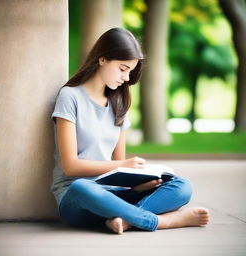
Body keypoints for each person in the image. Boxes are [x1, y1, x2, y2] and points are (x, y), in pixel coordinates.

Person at [50, 27, 210, 234]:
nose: (127, 78)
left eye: (130, 72)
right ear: (102, 59)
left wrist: (137, 185)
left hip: (114, 194)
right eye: (123, 69)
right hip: (77, 198)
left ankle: (124, 220)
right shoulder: (70, 97)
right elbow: (70, 167)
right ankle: (162, 221)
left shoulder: (120, 104)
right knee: (81, 187)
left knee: (182, 186)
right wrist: (123, 164)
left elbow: (117, 171)